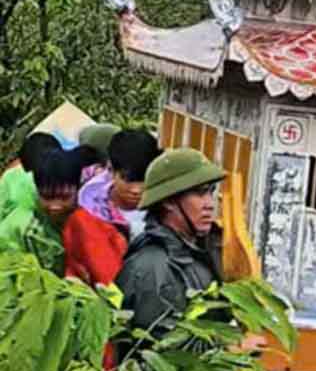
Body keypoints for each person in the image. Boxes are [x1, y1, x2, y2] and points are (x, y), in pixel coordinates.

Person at [116, 148, 225, 333]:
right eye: (199, 193)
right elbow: (161, 343)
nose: (209, 204)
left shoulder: (199, 250)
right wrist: (231, 344)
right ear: (169, 202)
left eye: (210, 192)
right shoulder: (152, 267)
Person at [63, 130, 161, 286]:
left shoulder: (167, 208)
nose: (136, 189)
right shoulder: (87, 215)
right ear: (111, 170)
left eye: (144, 180)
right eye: (127, 179)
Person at [0, 146, 83, 274]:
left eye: (64, 197)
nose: (55, 206)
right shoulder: (26, 229)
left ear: (78, 189)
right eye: (47, 197)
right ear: (37, 191)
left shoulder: (92, 215)